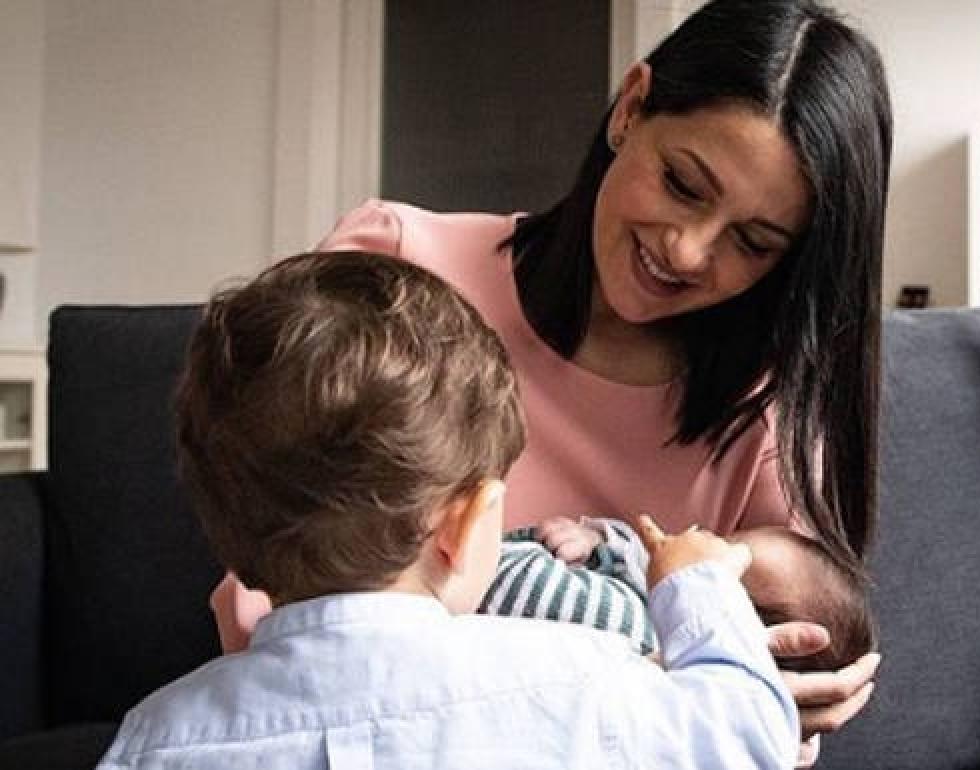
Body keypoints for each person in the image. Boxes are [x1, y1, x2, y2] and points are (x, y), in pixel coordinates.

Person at [213, 0, 892, 756]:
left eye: (754, 241)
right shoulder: (399, 265)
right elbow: (270, 567)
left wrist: (777, 699)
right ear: (631, 109)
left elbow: (779, 659)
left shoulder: (757, 416)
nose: (689, 251)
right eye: (682, 184)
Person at [97, 250, 799, 770]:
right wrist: (694, 583)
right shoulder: (586, 677)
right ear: (464, 527)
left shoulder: (156, 742)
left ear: (227, 534)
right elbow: (750, 732)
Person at [486, 515, 875, 674]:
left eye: (718, 563)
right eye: (722, 539)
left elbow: (505, 579)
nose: (697, 540)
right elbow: (635, 555)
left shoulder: (637, 637)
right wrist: (593, 537)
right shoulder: (659, 586)